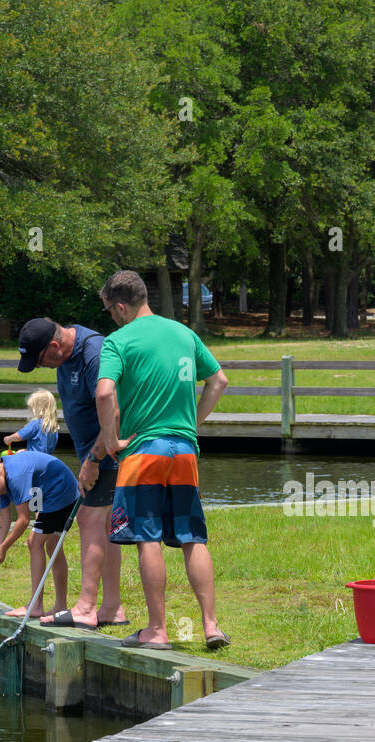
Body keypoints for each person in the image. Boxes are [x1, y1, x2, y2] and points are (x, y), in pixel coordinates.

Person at [89, 269, 229, 650]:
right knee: (192, 537)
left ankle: (156, 630)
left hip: (143, 453)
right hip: (184, 450)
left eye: (109, 311)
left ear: (120, 306)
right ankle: (211, 626)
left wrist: (112, 439)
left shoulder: (118, 341)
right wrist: (190, 424)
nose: (111, 318)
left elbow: (104, 394)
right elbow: (218, 381)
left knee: (147, 537)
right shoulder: (184, 333)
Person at [16, 317, 128, 629]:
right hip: (96, 453)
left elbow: (115, 411)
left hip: (106, 453)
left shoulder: (93, 353)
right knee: (106, 527)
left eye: (40, 361)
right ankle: (111, 608)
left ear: (54, 346)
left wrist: (93, 459)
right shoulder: (65, 356)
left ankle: (86, 607)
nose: (42, 367)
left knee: (89, 519)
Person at [0, 452, 80, 622]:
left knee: (34, 542)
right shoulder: (2, 478)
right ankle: (60, 606)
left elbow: (23, 519)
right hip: (60, 492)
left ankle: (35, 606)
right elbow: (4, 518)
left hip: (61, 493)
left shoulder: (15, 476)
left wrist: (4, 548)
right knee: (52, 546)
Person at [2, 389, 60, 454]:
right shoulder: (53, 426)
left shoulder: (36, 423)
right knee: (20, 452)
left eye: (32, 408)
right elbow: (40, 448)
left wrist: (9, 439)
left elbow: (20, 436)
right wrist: (26, 450)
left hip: (34, 459)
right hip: (47, 458)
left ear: (38, 408)